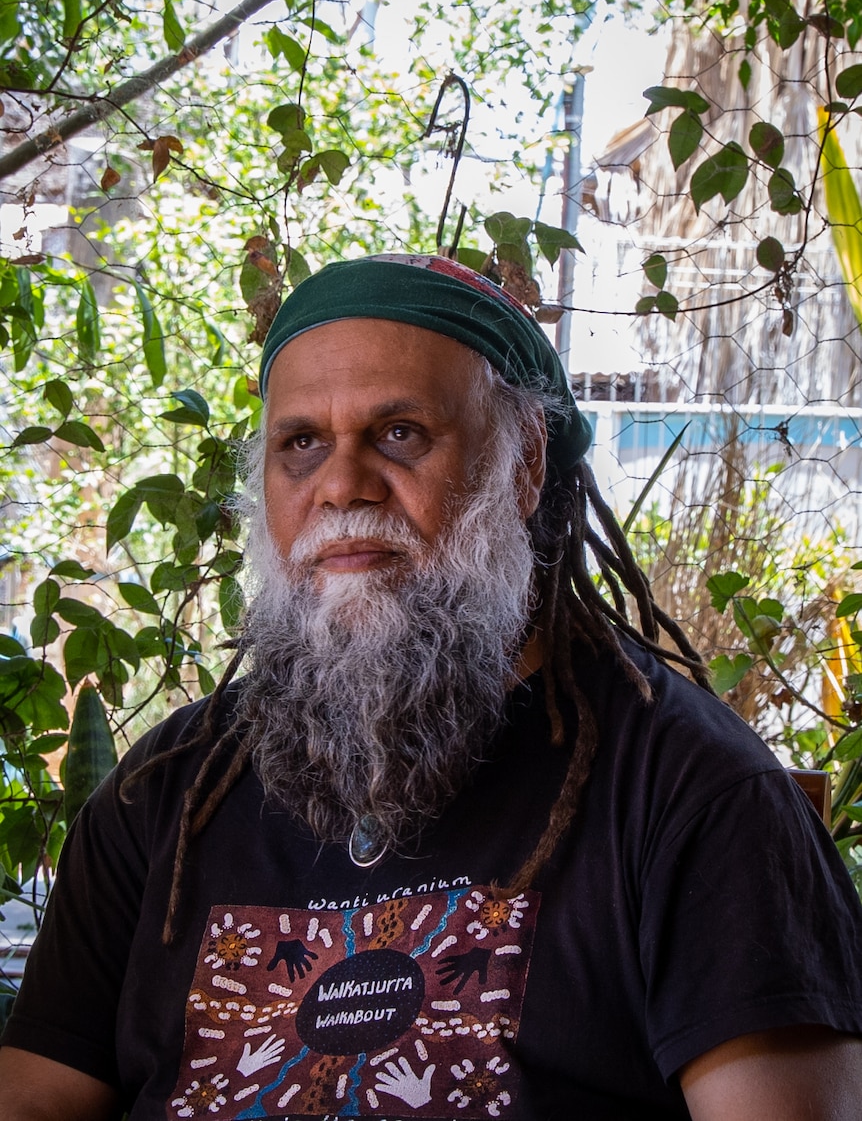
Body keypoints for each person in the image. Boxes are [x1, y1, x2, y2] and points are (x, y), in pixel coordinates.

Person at [1, 253, 861, 1121]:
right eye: (301, 444)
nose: (342, 486)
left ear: (524, 464)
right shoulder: (166, 794)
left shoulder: (691, 791)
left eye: (400, 433)